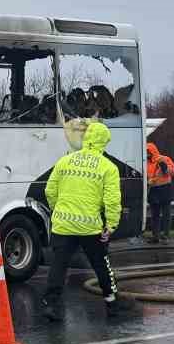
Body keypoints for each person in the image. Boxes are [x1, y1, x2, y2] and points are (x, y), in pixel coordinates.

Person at [41, 118, 122, 321]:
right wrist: (110, 225)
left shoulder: (65, 160)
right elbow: (112, 201)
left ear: (86, 138)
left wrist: (58, 210)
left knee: (58, 266)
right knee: (101, 265)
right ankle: (111, 303)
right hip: (90, 227)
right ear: (104, 141)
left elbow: (49, 190)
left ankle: (51, 304)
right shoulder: (108, 167)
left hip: (63, 225)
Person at [144, 141, 174, 242]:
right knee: (155, 215)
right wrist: (148, 182)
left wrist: (165, 168)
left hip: (165, 188)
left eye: (148, 152)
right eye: (146, 152)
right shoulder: (145, 162)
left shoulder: (164, 159)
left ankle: (165, 235)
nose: (147, 154)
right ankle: (156, 236)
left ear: (153, 151)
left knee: (166, 214)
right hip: (153, 190)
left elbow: (173, 170)